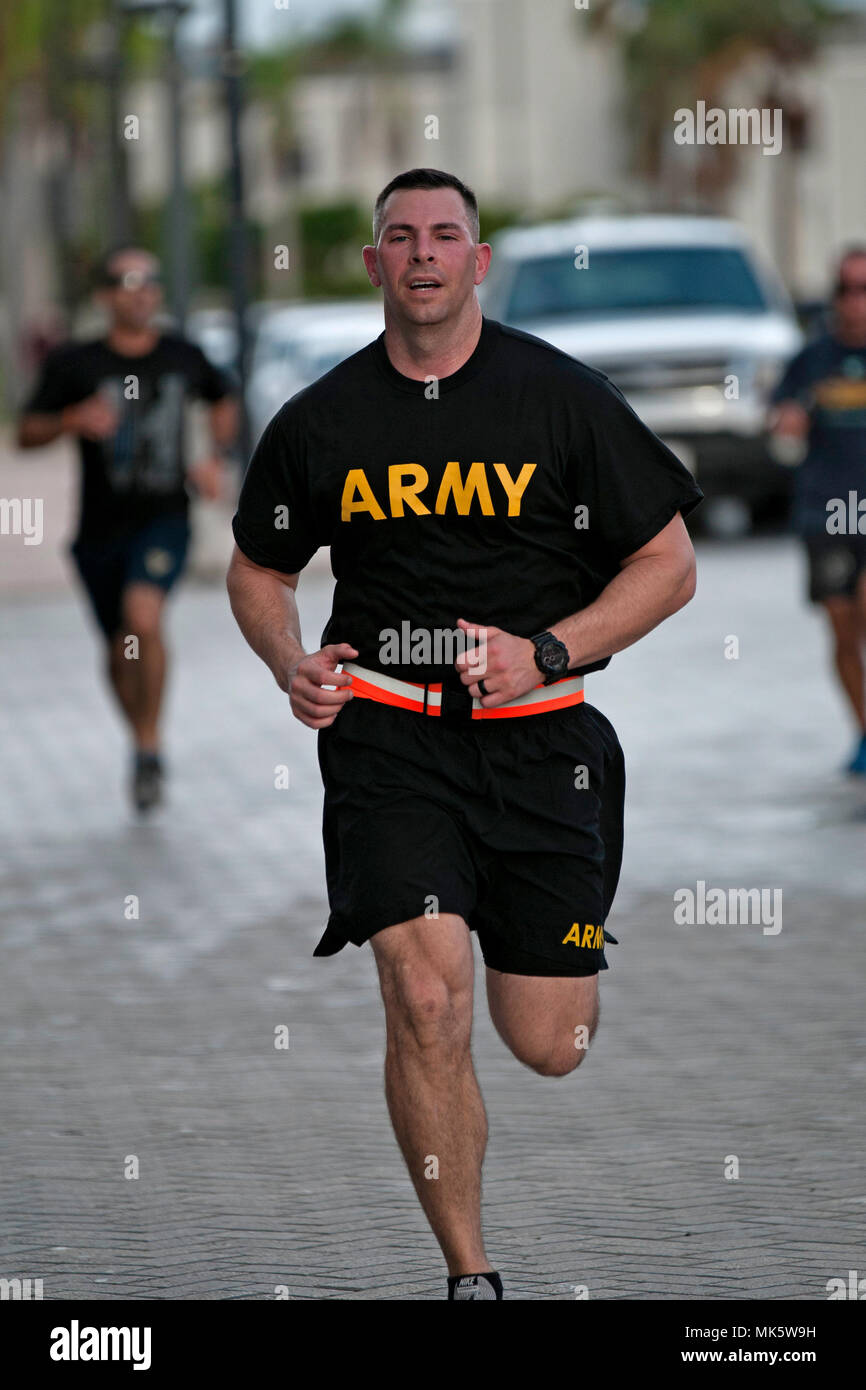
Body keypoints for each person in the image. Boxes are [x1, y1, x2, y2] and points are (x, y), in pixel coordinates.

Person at [226, 168, 702, 1300]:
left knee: (548, 1043)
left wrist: (546, 648)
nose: (424, 253)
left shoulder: (560, 399)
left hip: (542, 741)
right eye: (401, 237)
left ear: (478, 262)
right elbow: (259, 566)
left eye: (446, 235)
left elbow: (668, 565)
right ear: (375, 263)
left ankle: (533, 924)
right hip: (390, 739)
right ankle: (470, 1275)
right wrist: (288, 656)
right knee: (423, 992)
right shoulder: (323, 419)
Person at [17, 245, 238, 811]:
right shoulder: (76, 362)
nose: (140, 290)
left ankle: (149, 745)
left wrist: (213, 454)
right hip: (97, 532)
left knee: (144, 618)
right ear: (105, 295)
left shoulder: (183, 354)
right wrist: (70, 419)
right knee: (120, 650)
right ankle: (140, 739)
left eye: (150, 279)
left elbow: (223, 398)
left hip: (165, 519)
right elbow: (26, 432)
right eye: (125, 280)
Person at [769, 245, 866, 775]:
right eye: (845, 289)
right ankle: (863, 732)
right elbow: (780, 426)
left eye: (864, 289)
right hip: (825, 514)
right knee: (843, 628)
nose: (854, 301)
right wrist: (786, 424)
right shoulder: (812, 358)